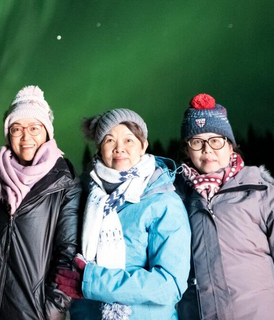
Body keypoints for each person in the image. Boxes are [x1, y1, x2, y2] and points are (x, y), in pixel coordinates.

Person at [174, 94, 274, 320]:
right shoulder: (176, 200)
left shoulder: (263, 195)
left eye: (216, 140)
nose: (207, 149)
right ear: (187, 149)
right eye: (196, 141)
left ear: (230, 145)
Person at [0, 86, 81, 320]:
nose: (25, 137)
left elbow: (68, 253)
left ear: (47, 133)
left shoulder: (64, 183)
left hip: (33, 313)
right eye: (16, 129)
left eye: (34, 128)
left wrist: (53, 308)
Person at [57, 108, 190, 320]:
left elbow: (170, 284)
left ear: (143, 146)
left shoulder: (163, 202)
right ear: (100, 149)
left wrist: (92, 282)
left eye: (129, 140)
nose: (120, 148)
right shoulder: (85, 200)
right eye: (110, 140)